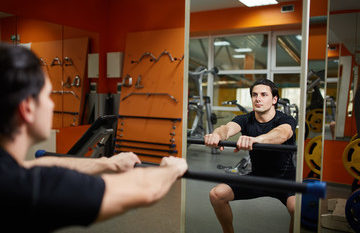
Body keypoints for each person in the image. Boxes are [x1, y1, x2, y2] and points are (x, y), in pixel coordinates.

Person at [0, 42, 188, 232]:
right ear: (27, 108)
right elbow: (145, 189)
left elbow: (35, 166)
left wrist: (109, 163)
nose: (51, 105)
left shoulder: (10, 173)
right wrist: (170, 169)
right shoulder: (23, 189)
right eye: (48, 96)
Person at [204, 78, 297, 233]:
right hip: (258, 177)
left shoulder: (285, 119)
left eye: (263, 94)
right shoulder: (246, 119)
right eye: (254, 95)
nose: (258, 98)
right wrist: (216, 135)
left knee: (296, 209)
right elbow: (226, 128)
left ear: (274, 99)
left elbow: (282, 134)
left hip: (285, 180)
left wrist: (256, 140)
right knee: (216, 194)